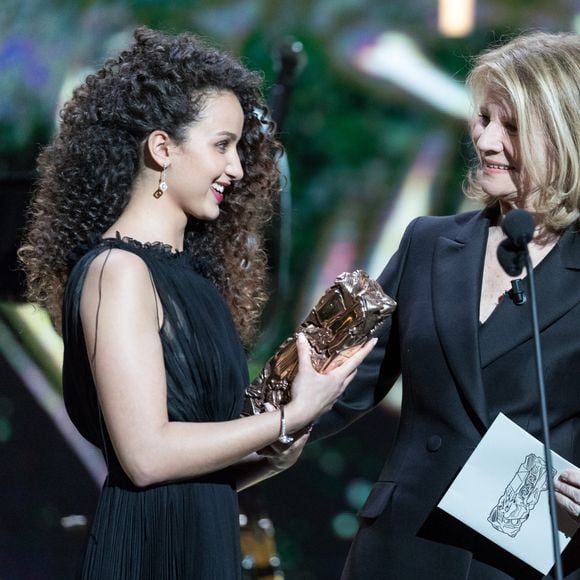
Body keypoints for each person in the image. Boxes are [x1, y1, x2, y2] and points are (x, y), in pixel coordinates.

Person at [18, 27, 375, 579]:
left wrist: (267, 458)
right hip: (150, 554)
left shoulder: (195, 281)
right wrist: (287, 417)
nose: (236, 168)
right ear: (162, 148)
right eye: (221, 145)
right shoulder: (118, 271)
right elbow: (145, 458)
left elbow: (193, 473)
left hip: (203, 546)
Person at [313, 31, 580, 579]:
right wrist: (232, 440)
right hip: (400, 547)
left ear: (564, 133)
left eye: (510, 126)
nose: (484, 141)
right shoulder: (428, 242)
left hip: (518, 563)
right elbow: (338, 384)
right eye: (482, 118)